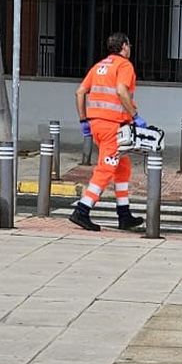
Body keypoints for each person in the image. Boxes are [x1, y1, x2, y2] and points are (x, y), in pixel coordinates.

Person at [71, 32, 146, 231]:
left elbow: (80, 92)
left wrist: (83, 120)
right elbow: (121, 91)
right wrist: (135, 116)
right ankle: (82, 210)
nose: (130, 48)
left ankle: (124, 214)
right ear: (124, 46)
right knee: (106, 168)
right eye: (129, 45)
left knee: (123, 167)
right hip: (113, 126)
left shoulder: (99, 66)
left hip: (97, 125)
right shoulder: (124, 66)